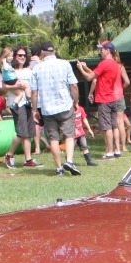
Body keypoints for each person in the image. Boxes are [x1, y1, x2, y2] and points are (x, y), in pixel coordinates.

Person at [29, 40, 83, 176]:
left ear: (42, 53)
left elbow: (34, 92)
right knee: (69, 134)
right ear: (54, 51)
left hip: (47, 109)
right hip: (65, 105)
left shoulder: (37, 69)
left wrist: (34, 110)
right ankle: (69, 161)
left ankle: (59, 168)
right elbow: (74, 86)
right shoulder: (65, 64)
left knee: (53, 138)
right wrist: (75, 101)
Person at [75, 40, 124, 160]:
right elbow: (97, 75)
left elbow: (90, 78)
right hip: (113, 97)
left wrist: (81, 69)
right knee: (114, 125)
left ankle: (109, 152)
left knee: (106, 126)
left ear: (107, 50)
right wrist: (86, 68)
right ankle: (117, 150)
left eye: (101, 49)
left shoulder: (104, 63)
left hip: (104, 98)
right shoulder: (115, 64)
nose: (100, 52)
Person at [4, 46, 39, 168]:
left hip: (28, 103)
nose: (22, 57)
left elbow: (33, 87)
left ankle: (28, 159)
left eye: (24, 55)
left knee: (28, 132)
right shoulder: (10, 70)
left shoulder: (29, 71)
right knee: (21, 132)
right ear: (14, 57)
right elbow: (2, 87)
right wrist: (18, 87)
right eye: (20, 55)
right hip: (17, 104)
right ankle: (9, 155)